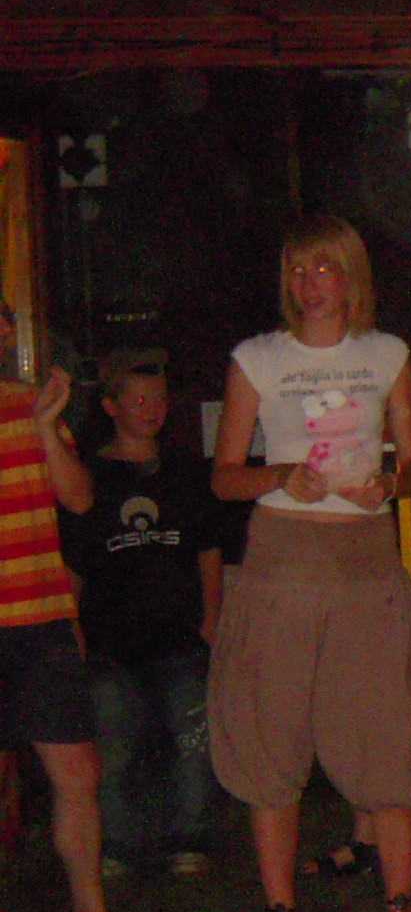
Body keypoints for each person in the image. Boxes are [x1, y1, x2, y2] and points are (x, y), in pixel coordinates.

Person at [208, 214, 411, 912]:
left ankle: (401, 907)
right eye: (298, 270)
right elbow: (224, 476)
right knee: (271, 740)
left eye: (323, 268)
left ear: (350, 276)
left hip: (366, 563)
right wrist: (279, 476)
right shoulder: (257, 359)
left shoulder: (386, 354)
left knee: (382, 736)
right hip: (282, 563)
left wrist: (389, 486)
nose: (309, 284)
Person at [0, 302, 170, 912]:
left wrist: (46, 426)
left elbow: (75, 500)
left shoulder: (29, 406)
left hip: (41, 619)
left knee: (78, 773)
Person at [60, 347, 225, 879]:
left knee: (192, 740)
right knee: (112, 747)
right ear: (111, 406)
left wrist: (212, 616)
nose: (151, 409)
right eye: (138, 400)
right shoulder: (90, 474)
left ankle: (191, 836)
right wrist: (71, 628)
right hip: (110, 637)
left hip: (179, 633)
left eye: (158, 399)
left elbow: (208, 549)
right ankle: (118, 843)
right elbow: (75, 561)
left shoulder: (183, 470)